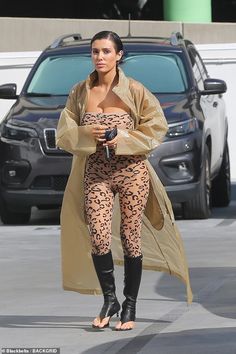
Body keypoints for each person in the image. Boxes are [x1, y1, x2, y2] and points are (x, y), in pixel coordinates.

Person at [56, 30, 193, 331]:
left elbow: (156, 128)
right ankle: (110, 300)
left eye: (106, 51)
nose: (100, 57)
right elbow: (64, 133)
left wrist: (123, 136)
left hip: (132, 172)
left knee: (131, 237)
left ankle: (130, 304)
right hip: (95, 171)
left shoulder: (136, 90)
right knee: (98, 234)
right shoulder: (80, 92)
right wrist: (84, 134)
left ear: (119, 55)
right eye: (95, 51)